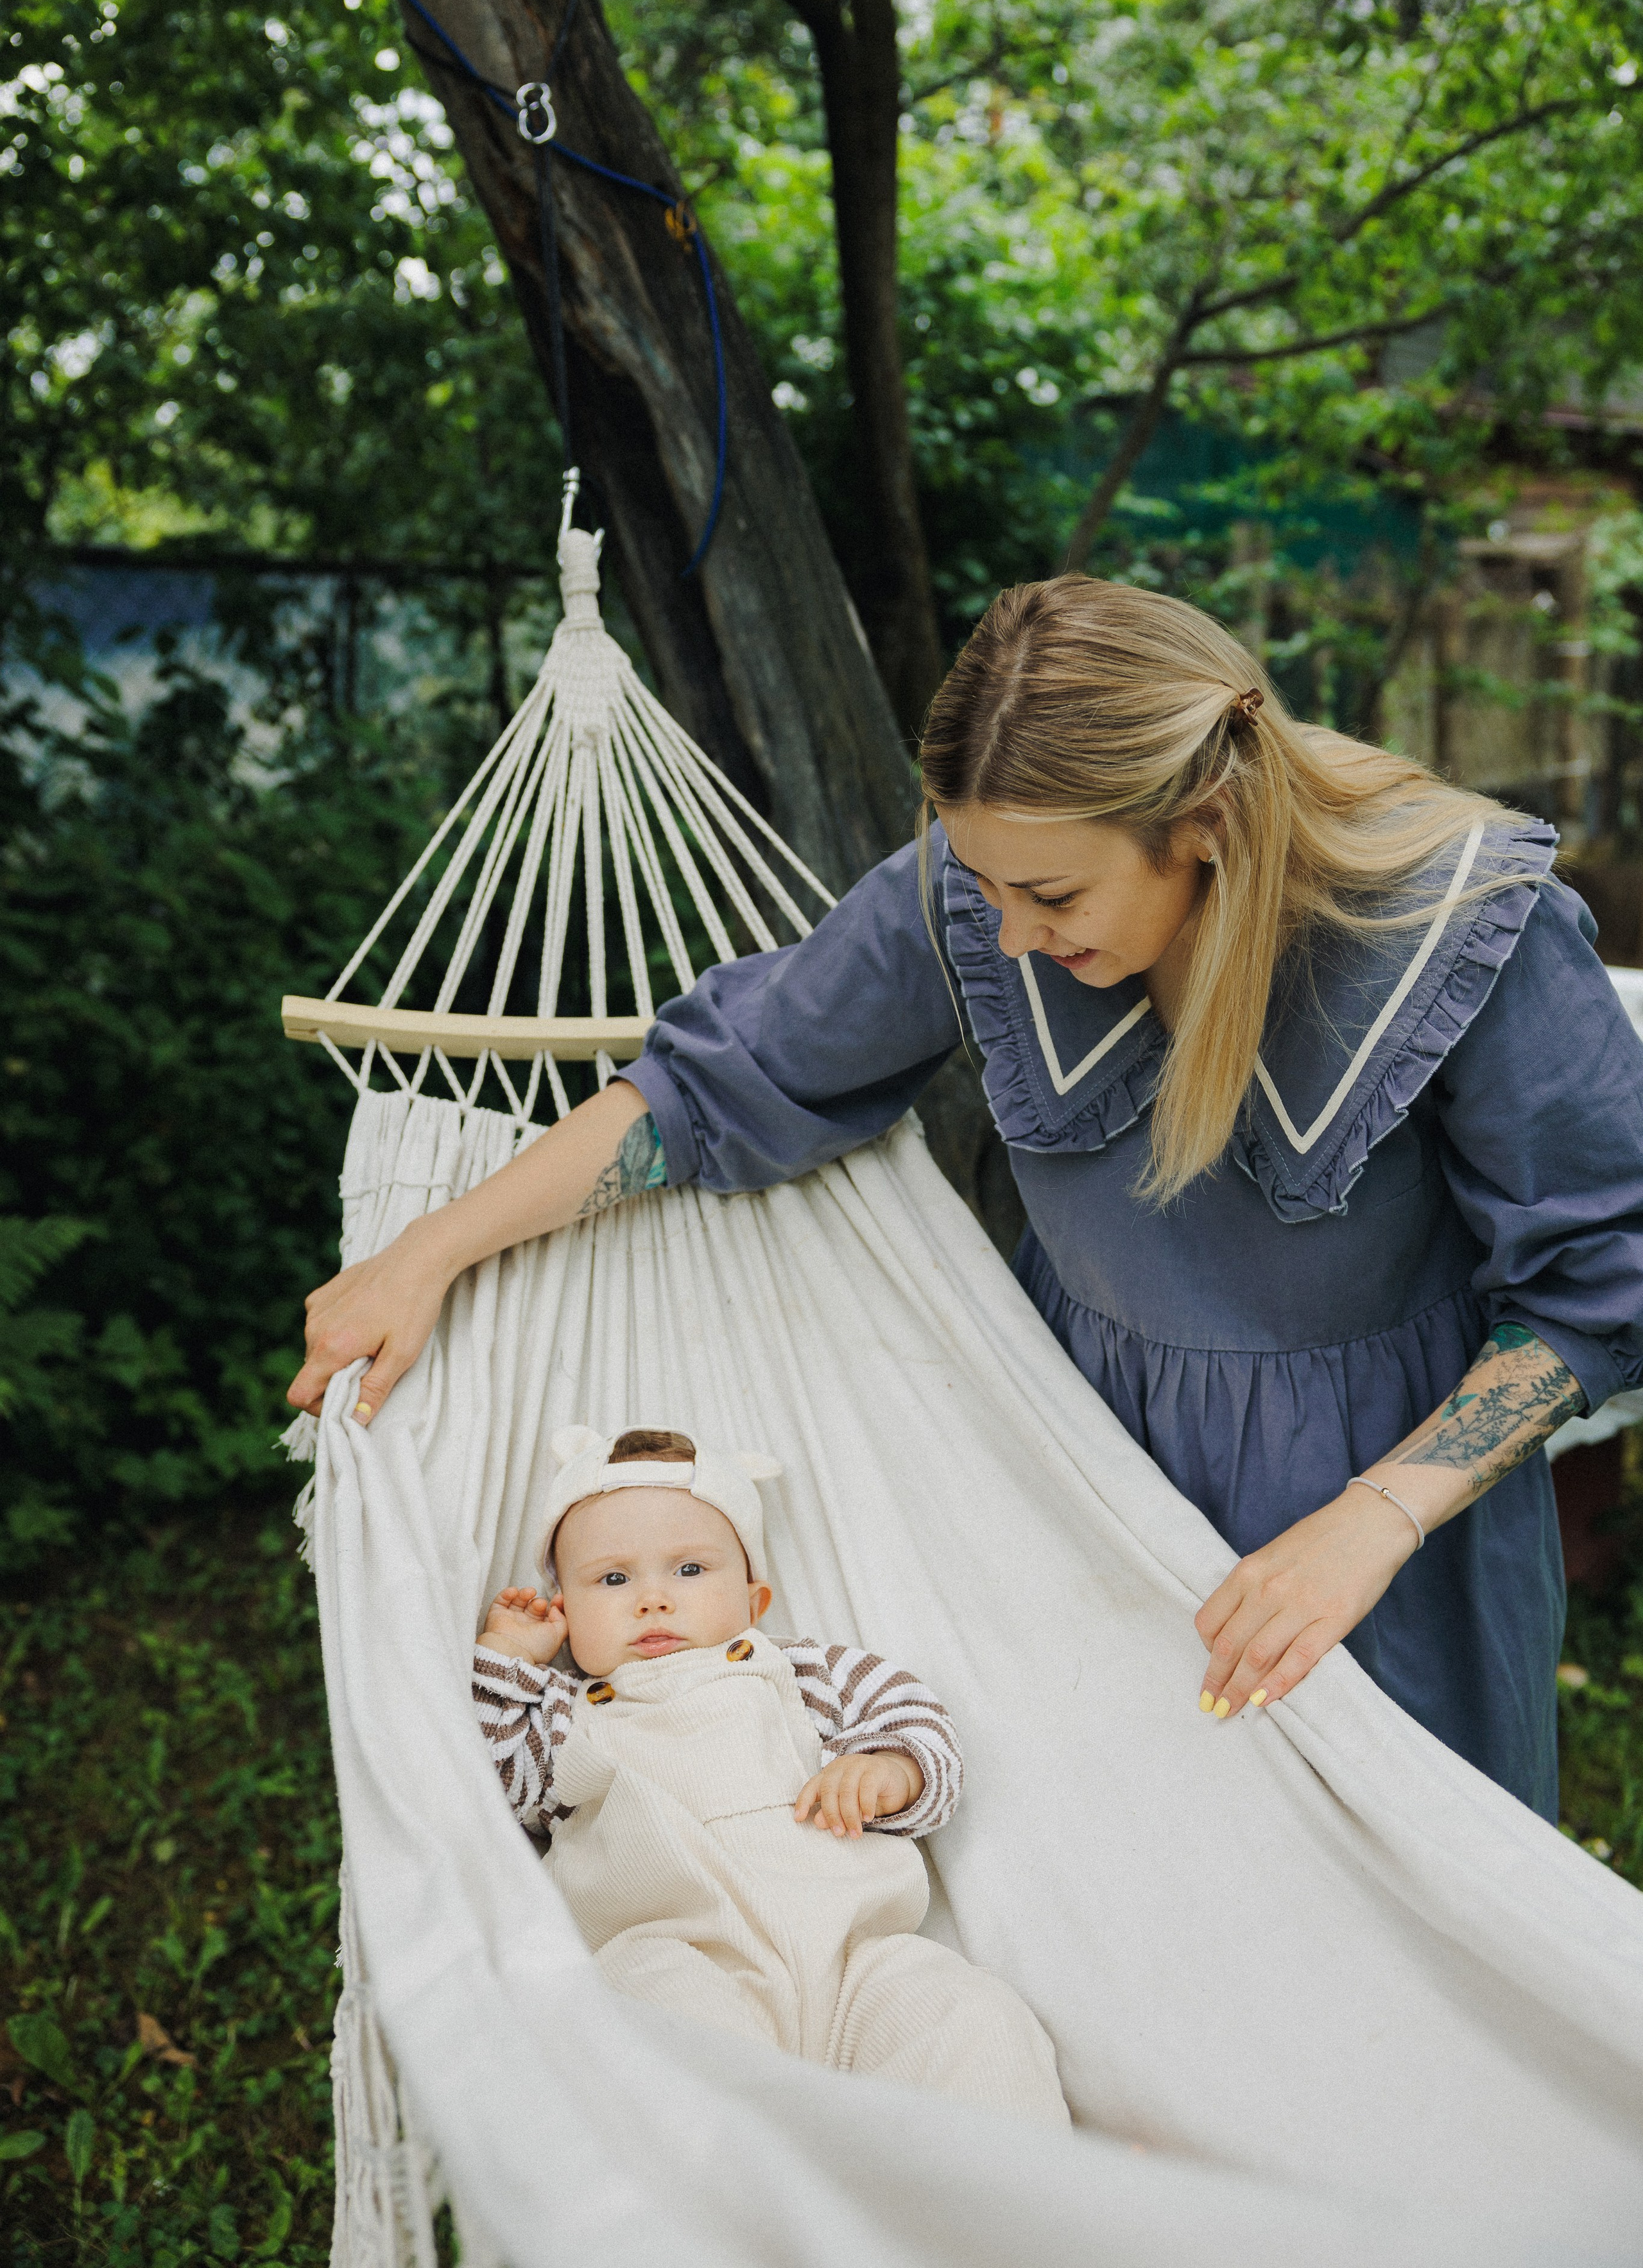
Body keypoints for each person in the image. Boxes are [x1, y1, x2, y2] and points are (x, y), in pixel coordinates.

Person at [289, 576, 1643, 1823]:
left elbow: (1601, 1284)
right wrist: (431, 1249)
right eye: (979, 882)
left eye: (1046, 893)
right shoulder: (977, 887)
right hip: (1066, 1474)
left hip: (1381, 1521)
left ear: (1206, 825)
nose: (1003, 935)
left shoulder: (1469, 929)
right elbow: (715, 1088)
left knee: (1408, 1921)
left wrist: (1371, 1520)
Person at [471, 1422, 1070, 2122]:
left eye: (689, 1570)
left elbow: (916, 1718)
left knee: (973, 2020)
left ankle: (1007, 2202)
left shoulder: (807, 1671)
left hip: (856, 1962)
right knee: (655, 2034)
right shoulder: (566, 1712)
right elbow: (492, 1787)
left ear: (755, 1604)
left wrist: (889, 1769)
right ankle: (765, 2199)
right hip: (677, 1957)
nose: (653, 1598)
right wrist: (510, 1664)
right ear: (566, 1616)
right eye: (613, 1579)